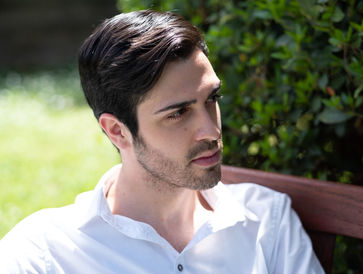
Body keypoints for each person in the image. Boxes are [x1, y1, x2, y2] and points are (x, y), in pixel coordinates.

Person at [0, 10, 324, 273]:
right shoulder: (44, 255)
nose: (211, 130)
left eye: (212, 98)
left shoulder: (266, 221)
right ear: (117, 131)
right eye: (178, 113)